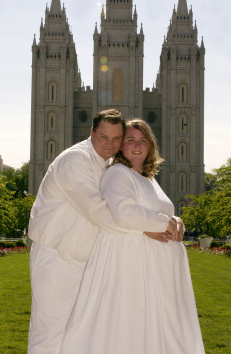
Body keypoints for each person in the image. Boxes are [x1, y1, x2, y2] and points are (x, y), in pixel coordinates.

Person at [27, 110, 183, 354]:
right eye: (103, 137)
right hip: (58, 258)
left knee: (77, 334)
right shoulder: (75, 161)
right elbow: (98, 212)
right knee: (49, 332)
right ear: (92, 133)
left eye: (116, 138)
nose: (110, 144)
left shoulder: (110, 164)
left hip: (87, 261)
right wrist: (147, 228)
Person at [60, 119, 205, 354]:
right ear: (121, 146)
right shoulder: (118, 173)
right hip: (130, 264)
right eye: (130, 140)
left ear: (150, 146)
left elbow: (158, 210)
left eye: (143, 140)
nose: (137, 145)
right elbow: (124, 212)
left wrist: (175, 220)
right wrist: (163, 222)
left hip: (153, 270)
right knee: (129, 322)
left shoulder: (146, 177)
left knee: (152, 325)